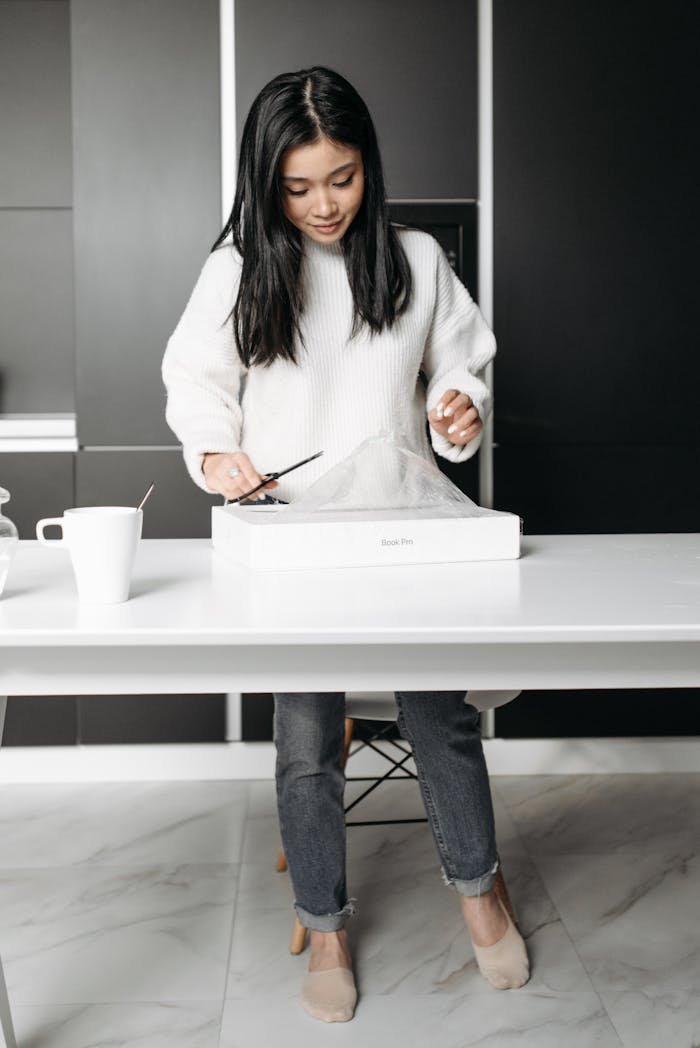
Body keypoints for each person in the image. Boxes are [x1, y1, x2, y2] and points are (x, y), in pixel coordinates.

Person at [162, 66, 529, 1023]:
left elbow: (463, 369)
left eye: (344, 177)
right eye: (298, 186)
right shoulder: (238, 269)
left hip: (406, 532)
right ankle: (325, 926)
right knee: (304, 735)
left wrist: (461, 410)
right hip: (293, 545)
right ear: (265, 181)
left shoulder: (412, 258)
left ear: (370, 168)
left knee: (441, 718)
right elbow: (196, 384)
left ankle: (481, 894)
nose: (324, 205)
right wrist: (218, 454)